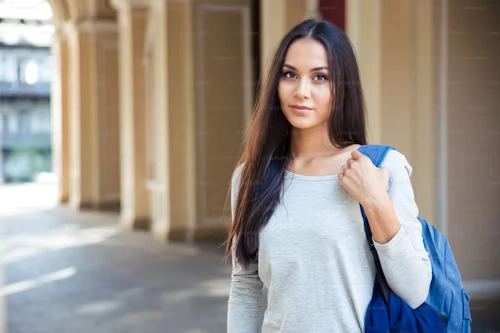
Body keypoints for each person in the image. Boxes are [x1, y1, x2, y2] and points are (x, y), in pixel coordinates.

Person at [225, 18, 431, 333]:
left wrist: (376, 202)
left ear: (342, 86)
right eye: (290, 74)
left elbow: (416, 292)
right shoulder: (251, 176)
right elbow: (245, 285)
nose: (301, 91)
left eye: (320, 77)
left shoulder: (380, 167)